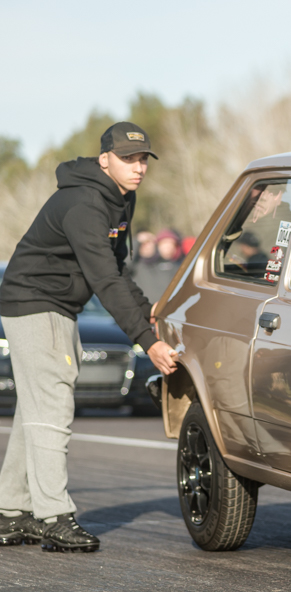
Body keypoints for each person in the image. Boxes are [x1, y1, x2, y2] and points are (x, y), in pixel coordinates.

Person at [0, 122, 178, 553]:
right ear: (104, 160)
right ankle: (54, 516)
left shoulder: (121, 198)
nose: (138, 167)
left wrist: (147, 312)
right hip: (35, 302)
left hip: (56, 305)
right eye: (128, 158)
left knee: (35, 407)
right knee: (53, 404)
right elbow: (103, 279)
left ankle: (11, 510)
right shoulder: (84, 202)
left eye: (143, 159)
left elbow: (117, 269)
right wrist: (147, 340)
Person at [130, 228, 183, 303]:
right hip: (143, 308)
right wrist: (137, 241)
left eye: (150, 242)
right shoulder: (135, 266)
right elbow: (124, 264)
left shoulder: (167, 265)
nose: (147, 246)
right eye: (143, 244)